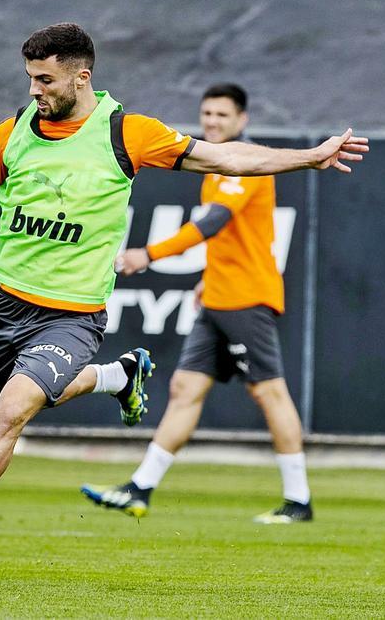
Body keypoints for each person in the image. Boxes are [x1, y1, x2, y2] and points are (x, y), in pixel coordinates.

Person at [0, 22, 367, 576]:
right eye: (30, 79)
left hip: (74, 315)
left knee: (9, 416)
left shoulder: (126, 133)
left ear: (82, 77)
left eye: (45, 80)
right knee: (18, 400)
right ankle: (117, 377)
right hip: (7, 307)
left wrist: (308, 156)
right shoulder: (9, 134)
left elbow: (228, 159)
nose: (34, 90)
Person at [80, 83, 313, 524]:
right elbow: (227, 238)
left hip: (247, 299)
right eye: (207, 114)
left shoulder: (245, 166)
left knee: (270, 394)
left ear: (242, 121)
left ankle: (299, 500)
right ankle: (140, 488)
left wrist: (148, 254)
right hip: (218, 298)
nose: (212, 122)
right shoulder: (214, 167)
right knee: (184, 390)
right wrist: (207, 280)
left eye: (222, 116)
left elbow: (212, 223)